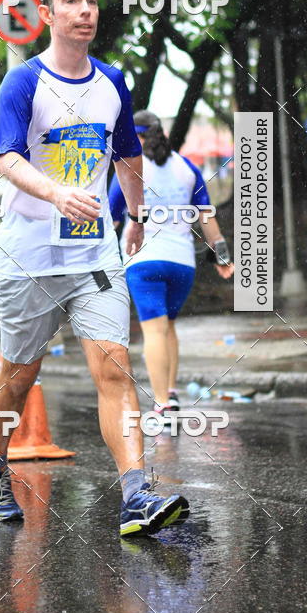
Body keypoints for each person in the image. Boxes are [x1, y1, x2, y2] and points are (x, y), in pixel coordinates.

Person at [0, 0, 189, 536]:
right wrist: (56, 193)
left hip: (93, 254)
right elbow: (7, 157)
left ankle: (136, 494)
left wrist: (136, 217)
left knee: (115, 367)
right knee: (17, 377)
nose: (85, 10)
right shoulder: (23, 82)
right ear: (47, 15)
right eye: (72, 1)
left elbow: (128, 155)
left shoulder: (112, 81)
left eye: (92, 0)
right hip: (27, 255)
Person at [109, 110, 234, 418]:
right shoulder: (187, 167)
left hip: (144, 261)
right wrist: (222, 257)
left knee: (154, 331)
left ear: (135, 135)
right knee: (168, 327)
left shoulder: (128, 166)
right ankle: (172, 394)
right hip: (181, 264)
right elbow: (206, 215)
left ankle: (162, 404)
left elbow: (111, 220)